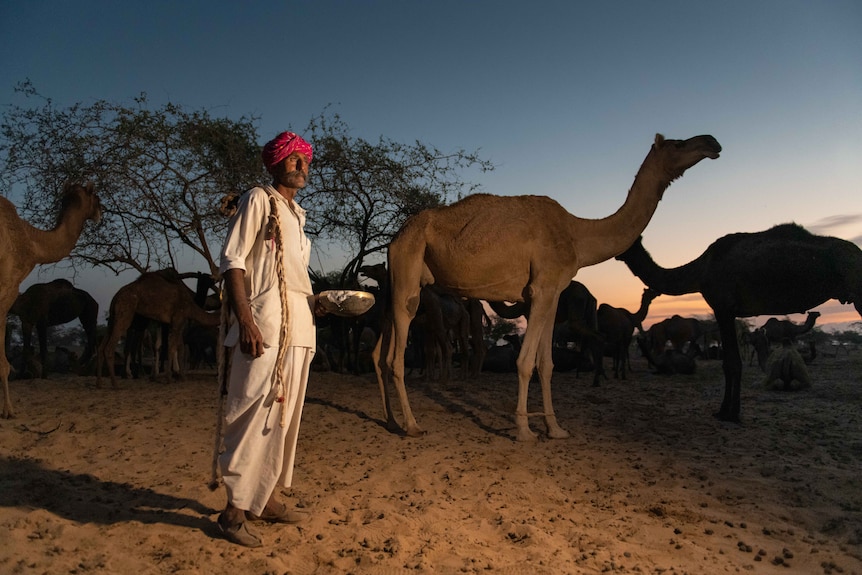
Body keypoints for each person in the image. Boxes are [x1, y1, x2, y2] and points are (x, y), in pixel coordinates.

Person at [216, 131, 326, 547]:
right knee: (253, 414)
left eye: (305, 159)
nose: (302, 165)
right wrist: (245, 320)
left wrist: (320, 304)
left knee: (286, 417)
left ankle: (265, 499)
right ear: (274, 163)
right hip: (264, 322)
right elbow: (234, 261)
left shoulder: (297, 216)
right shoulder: (258, 199)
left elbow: (295, 279)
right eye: (293, 158)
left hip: (299, 325)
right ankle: (232, 512)